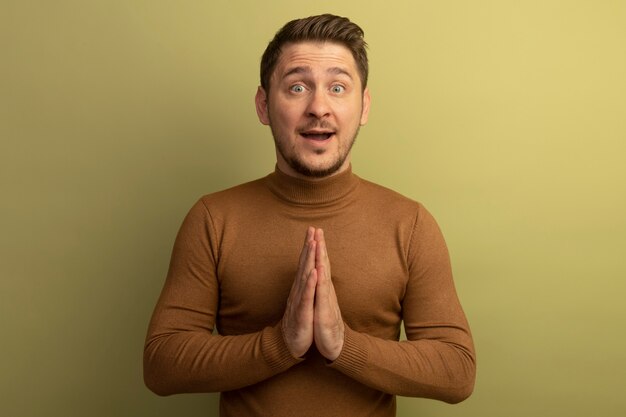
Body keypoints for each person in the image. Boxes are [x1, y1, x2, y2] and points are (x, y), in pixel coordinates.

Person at [144, 13, 476, 417]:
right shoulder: (213, 218)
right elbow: (162, 365)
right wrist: (281, 344)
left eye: (338, 87)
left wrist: (342, 344)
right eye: (297, 87)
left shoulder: (410, 224)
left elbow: (457, 372)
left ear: (364, 106)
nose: (318, 107)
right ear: (264, 105)